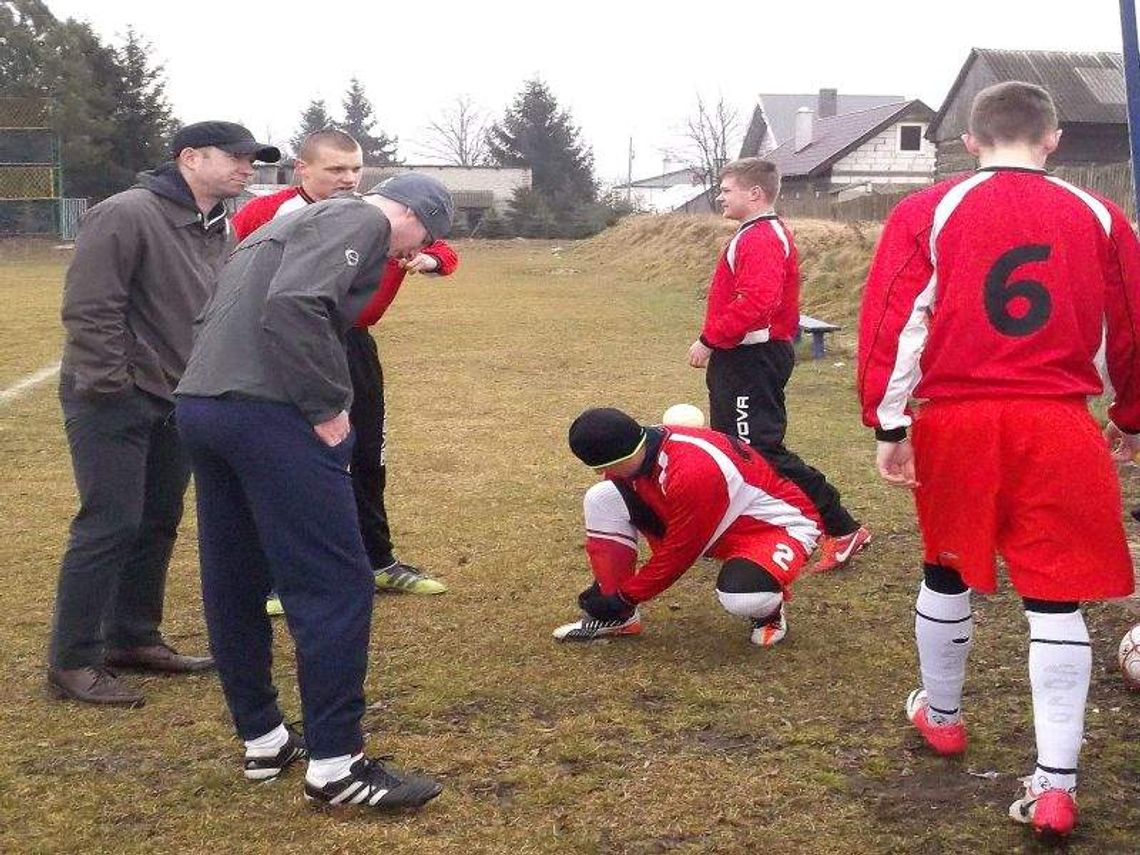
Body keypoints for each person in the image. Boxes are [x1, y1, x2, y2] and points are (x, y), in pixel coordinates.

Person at [857, 81, 1140, 837]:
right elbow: (1128, 324)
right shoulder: (1101, 215)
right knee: (1057, 596)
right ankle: (1055, 783)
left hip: (959, 421)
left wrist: (888, 424)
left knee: (946, 566)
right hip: (1058, 423)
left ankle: (943, 715)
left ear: (971, 141)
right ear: (1053, 139)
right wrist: (1131, 415)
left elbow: (895, 319)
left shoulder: (926, 211)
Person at [175, 173, 454, 809]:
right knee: (334, 582)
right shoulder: (360, 220)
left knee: (235, 577)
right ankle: (337, 766)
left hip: (205, 404)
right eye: (424, 236)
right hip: (272, 414)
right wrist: (328, 407)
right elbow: (297, 305)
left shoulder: (278, 225)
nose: (403, 254)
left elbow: (216, 309)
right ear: (411, 215)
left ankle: (263, 737)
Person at [47, 122, 279, 708]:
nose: (247, 168)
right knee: (109, 522)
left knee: (156, 521)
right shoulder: (126, 213)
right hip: (115, 397)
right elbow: (91, 307)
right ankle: (73, 661)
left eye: (252, 160)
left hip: (180, 396)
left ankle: (133, 638)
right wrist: (111, 386)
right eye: (236, 157)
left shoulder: (217, 224)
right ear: (190, 158)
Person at [234, 130, 457, 607]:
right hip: (289, 341)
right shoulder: (266, 214)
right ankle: (281, 577)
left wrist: (429, 258)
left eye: (355, 169)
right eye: (336, 170)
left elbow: (447, 252)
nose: (348, 179)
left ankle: (378, 560)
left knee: (369, 455)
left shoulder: (382, 217)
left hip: (354, 343)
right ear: (303, 169)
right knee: (295, 461)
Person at [686, 158, 870, 573]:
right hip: (741, 358)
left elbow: (757, 302)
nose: (720, 196)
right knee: (736, 447)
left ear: (755, 193)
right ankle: (745, 523)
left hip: (753, 359)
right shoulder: (752, 234)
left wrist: (709, 339)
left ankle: (842, 527)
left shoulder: (762, 236)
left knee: (758, 449)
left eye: (727, 189)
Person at [553, 407, 822, 646]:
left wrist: (626, 595)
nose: (605, 473)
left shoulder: (694, 470)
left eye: (610, 466)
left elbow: (680, 553)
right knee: (602, 497)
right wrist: (609, 593)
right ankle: (619, 620)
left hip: (776, 526)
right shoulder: (638, 451)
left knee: (744, 597)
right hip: (717, 520)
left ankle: (769, 614)